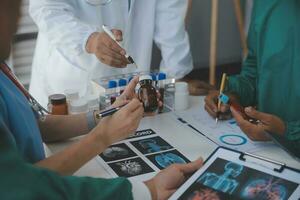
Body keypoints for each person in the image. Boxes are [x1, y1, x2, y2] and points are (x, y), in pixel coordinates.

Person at [0, 0, 203, 199]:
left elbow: (34, 124)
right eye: (12, 6)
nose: (18, 19)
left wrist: (103, 116)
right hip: (73, 68)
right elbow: (27, 185)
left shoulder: (4, 75)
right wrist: (103, 137)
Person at [28, 0, 197, 107]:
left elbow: (170, 16)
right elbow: (45, 8)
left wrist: (176, 75)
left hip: (129, 81)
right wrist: (88, 39)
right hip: (72, 77)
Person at [204, 0, 300, 146]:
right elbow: (253, 75)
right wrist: (233, 97)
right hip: (269, 150)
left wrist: (288, 132)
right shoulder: (265, 4)